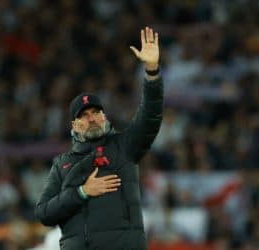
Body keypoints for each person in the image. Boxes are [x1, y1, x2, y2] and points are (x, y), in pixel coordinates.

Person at [35, 27, 163, 250]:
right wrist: (82, 192)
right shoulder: (62, 164)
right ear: (75, 125)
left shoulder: (125, 146)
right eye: (84, 115)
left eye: (96, 112)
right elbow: (44, 213)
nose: (92, 118)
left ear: (104, 117)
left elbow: (150, 117)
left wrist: (151, 72)